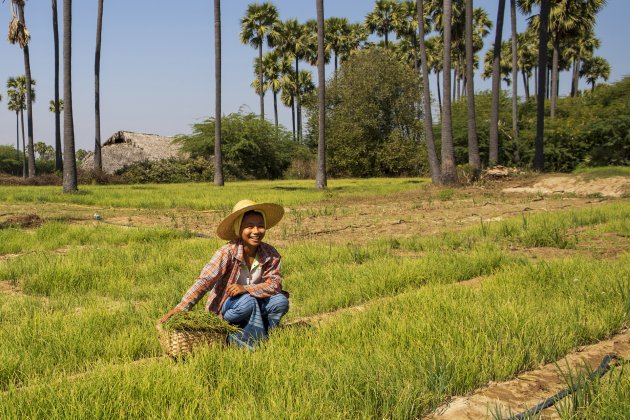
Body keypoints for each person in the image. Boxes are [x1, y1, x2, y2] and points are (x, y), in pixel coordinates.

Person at [159, 199, 289, 349]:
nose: (256, 231)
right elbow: (205, 280)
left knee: (280, 301)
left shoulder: (270, 253)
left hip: (256, 302)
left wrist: (246, 288)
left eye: (260, 226)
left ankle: (268, 334)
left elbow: (275, 284)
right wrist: (181, 308)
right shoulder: (227, 252)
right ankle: (247, 343)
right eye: (249, 226)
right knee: (248, 302)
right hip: (231, 308)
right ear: (238, 228)